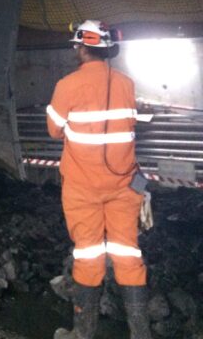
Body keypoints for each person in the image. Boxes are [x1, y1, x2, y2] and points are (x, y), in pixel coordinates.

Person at [47, 20, 151, 339]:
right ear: (107, 50)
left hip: (83, 190)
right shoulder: (126, 83)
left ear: (81, 48)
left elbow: (53, 131)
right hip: (123, 187)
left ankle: (83, 334)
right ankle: (141, 335)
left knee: (88, 255)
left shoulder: (67, 85)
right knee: (128, 255)